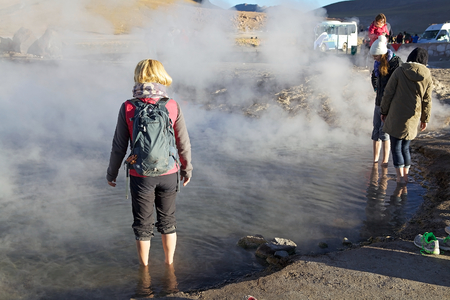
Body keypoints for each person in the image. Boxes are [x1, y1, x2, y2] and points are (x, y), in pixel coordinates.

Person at [106, 59, 193, 266]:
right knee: (168, 223)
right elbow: (183, 142)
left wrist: (112, 173)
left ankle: (144, 271)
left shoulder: (128, 106)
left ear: (138, 76)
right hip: (169, 173)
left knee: (142, 226)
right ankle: (169, 265)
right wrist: (186, 169)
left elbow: (119, 146)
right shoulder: (171, 105)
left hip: (141, 175)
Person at [380, 48, 432, 184]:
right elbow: (427, 100)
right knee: (405, 147)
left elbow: (388, 93)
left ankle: (399, 178)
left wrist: (383, 111)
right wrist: (425, 119)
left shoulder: (400, 71)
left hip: (396, 114)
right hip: (413, 116)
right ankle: (406, 176)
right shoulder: (427, 75)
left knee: (396, 147)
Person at [370, 35, 403, 165]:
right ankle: (375, 160)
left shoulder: (395, 63)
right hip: (378, 102)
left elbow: (397, 84)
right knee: (375, 131)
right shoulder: (378, 63)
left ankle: (384, 162)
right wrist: (376, 88)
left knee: (385, 132)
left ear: (382, 54)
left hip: (389, 104)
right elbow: (374, 76)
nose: (374, 58)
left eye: (376, 56)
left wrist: (388, 100)